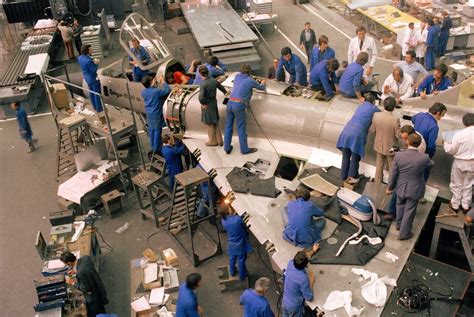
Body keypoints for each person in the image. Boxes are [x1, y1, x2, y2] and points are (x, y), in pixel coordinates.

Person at [387, 133, 434, 240]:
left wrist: (390, 187)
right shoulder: (424, 158)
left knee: (399, 206)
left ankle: (398, 225)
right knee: (409, 211)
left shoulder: (399, 155)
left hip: (401, 187)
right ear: (419, 144)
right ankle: (404, 234)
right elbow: (431, 164)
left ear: (407, 142)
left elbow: (393, 174)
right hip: (415, 189)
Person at [386, 124, 426, 220]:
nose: (404, 141)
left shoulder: (420, 145)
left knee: (398, 191)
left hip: (411, 171)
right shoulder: (415, 137)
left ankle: (395, 214)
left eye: (405, 139)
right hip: (411, 168)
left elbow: (412, 157)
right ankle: (396, 214)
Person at [337, 94, 381, 181]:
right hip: (357, 135)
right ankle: (351, 179)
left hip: (346, 131)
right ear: (373, 102)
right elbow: (381, 113)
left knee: (346, 156)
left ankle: (343, 177)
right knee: (355, 157)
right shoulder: (374, 108)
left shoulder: (360, 106)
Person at [224, 64, 266, 155]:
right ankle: (244, 149)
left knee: (228, 126)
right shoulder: (250, 81)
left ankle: (227, 147)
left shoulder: (237, 76)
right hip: (239, 105)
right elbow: (261, 87)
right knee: (241, 127)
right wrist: (263, 81)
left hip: (230, 103)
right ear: (249, 72)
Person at [60, 251, 108, 317]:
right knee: (101, 310)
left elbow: (85, 288)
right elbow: (86, 270)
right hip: (98, 287)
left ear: (69, 263)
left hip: (93, 298)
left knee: (94, 313)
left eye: (66, 264)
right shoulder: (85, 258)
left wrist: (73, 283)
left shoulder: (81, 273)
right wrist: (76, 271)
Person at [443, 113, 474, 213]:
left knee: (457, 183)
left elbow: (451, 150)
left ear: (464, 122)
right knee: (469, 184)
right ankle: (465, 206)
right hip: (473, 164)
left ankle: (455, 205)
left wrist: (446, 143)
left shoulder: (459, 135)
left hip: (460, 162)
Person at [371, 97, 400, 183]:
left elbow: (373, 130)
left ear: (384, 105)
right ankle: (390, 185)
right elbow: (398, 135)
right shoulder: (395, 120)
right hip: (391, 147)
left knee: (379, 165)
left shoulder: (376, 115)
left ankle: (377, 183)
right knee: (392, 167)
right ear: (394, 107)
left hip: (378, 144)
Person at [220, 205, 252, 280]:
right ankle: (242, 276)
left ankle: (232, 272)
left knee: (232, 258)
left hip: (231, 244)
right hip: (240, 244)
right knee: (241, 261)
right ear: (227, 211)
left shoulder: (223, 221)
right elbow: (244, 225)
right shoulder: (238, 219)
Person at [198, 65, 227, 146]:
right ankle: (220, 141)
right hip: (214, 103)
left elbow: (201, 98)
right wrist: (226, 93)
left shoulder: (203, 84)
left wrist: (203, 103)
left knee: (210, 123)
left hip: (207, 105)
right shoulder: (214, 81)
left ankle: (212, 142)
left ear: (200, 74)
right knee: (215, 121)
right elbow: (222, 88)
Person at [141, 75, 171, 154]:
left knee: (152, 131)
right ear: (150, 82)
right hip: (156, 113)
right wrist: (163, 82)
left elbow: (151, 91)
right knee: (158, 130)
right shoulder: (156, 91)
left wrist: (152, 85)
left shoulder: (143, 92)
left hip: (149, 114)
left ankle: (153, 146)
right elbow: (167, 90)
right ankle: (157, 149)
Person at [282, 250, 317, 317]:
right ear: (306, 265)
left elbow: (299, 258)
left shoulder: (290, 263)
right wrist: (311, 282)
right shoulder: (303, 278)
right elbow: (309, 297)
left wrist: (312, 251)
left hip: (285, 300)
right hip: (294, 307)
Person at [78, 45, 103, 113]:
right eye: (90, 50)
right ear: (87, 51)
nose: (92, 51)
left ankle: (95, 107)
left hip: (87, 78)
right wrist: (96, 64)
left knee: (91, 93)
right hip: (93, 78)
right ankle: (99, 109)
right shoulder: (88, 60)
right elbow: (93, 70)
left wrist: (92, 62)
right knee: (97, 94)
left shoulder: (80, 58)